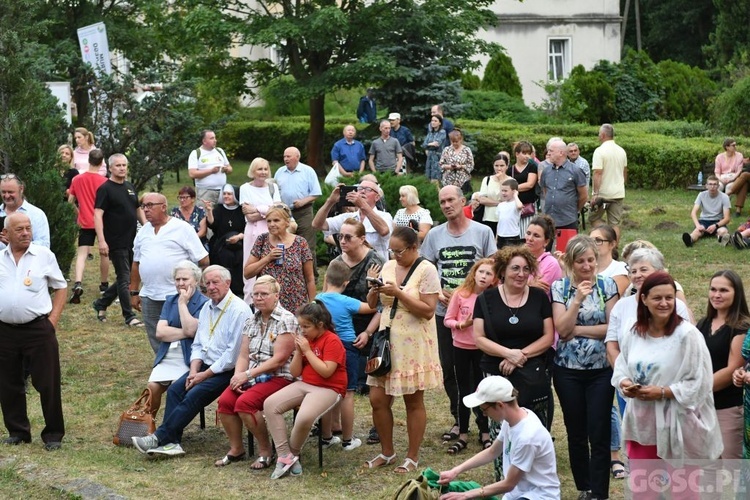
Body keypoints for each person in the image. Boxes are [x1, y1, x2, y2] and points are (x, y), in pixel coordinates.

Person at [613, 272, 722, 484]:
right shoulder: (634, 334)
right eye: (657, 298)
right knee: (644, 490)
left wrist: (663, 392)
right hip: (642, 423)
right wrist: (625, 384)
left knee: (684, 491)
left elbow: (701, 382)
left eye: (669, 298)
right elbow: (621, 368)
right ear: (644, 299)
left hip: (679, 425)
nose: (664, 303)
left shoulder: (687, 335)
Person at [132, 265, 251, 457]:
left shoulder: (239, 310)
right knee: (175, 391)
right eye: (208, 283)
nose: (211, 287)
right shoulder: (207, 307)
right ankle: (173, 442)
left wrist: (204, 375)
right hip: (203, 366)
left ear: (228, 283)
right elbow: (198, 343)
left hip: (227, 370)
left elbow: (231, 355)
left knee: (193, 395)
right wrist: (194, 370)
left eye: (215, 282)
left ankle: (159, 438)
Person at [421, 186, 496, 444]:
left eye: (451, 199)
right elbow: (425, 268)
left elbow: (493, 268)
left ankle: (485, 421)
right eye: (442, 201)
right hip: (446, 314)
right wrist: (435, 291)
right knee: (450, 370)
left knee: (480, 370)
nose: (446, 204)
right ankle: (459, 419)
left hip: (480, 316)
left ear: (463, 201)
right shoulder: (434, 235)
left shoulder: (483, 232)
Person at [364, 226, 442, 473]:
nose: (395, 255)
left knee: (413, 400)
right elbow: (373, 305)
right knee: (377, 399)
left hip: (414, 342)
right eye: (392, 251)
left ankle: (412, 456)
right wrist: (374, 290)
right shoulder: (388, 266)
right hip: (386, 339)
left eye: (399, 251)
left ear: (413, 248)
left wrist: (398, 292)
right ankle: (387, 452)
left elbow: (428, 310)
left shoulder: (427, 269)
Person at [473, 245, 554, 468]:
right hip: (496, 373)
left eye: (526, 269)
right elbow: (479, 338)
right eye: (515, 268)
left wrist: (520, 356)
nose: (521, 274)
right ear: (502, 271)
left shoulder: (539, 297)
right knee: (501, 433)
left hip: (533, 373)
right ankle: (503, 479)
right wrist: (507, 353)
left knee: (534, 430)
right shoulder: (485, 299)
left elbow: (548, 337)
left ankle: (534, 479)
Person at [552, 235, 618, 500]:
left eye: (591, 259)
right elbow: (561, 328)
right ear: (571, 262)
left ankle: (600, 492)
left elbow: (612, 329)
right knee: (576, 430)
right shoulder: (560, 288)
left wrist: (578, 329)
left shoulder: (608, 285)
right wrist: (577, 299)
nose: (588, 266)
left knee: (599, 429)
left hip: (601, 369)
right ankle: (584, 486)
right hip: (567, 370)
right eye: (581, 261)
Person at [0, 213, 67, 451]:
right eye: (19, 229)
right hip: (5, 330)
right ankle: (18, 431)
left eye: (28, 228)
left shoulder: (43, 256)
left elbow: (60, 286)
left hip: (39, 329)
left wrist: (53, 321)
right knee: (8, 382)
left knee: (47, 382)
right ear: (6, 234)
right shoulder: (0, 258)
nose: (26, 233)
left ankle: (53, 434)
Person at [215, 276, 296, 469]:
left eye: (264, 294)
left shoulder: (286, 320)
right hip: (254, 375)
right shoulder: (251, 320)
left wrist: (248, 375)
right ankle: (236, 449)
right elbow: (243, 355)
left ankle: (265, 450)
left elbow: (279, 360)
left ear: (276, 296)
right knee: (225, 401)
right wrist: (237, 376)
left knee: (245, 403)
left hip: (281, 376)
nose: (258, 298)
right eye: (255, 294)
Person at [437, 376, 560, 500]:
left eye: (484, 409)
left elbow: (509, 484)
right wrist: (455, 471)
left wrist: (465, 495)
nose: (484, 414)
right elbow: (492, 452)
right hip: (519, 494)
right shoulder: (513, 419)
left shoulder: (527, 438)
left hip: (539, 496)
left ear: (500, 405)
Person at [264, 302, 347, 479]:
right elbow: (295, 372)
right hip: (306, 383)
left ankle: (293, 454)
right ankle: (285, 455)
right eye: (300, 326)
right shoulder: (305, 341)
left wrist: (307, 351)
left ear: (320, 324)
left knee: (304, 417)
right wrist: (297, 352)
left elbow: (326, 372)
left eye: (306, 326)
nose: (302, 330)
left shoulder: (332, 340)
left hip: (329, 388)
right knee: (270, 404)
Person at [130, 193, 210, 353]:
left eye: (150, 205)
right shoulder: (143, 231)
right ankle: (163, 368)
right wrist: (134, 291)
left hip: (178, 295)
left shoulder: (182, 228)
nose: (146, 209)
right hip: (150, 295)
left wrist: (195, 284)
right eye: (143, 206)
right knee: (156, 336)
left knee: (183, 335)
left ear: (164, 207)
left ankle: (185, 369)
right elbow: (136, 262)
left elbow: (204, 260)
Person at [316, 260, 376, 451]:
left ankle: (326, 437)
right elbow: (371, 308)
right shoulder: (347, 301)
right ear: (346, 283)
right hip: (347, 347)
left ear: (326, 278)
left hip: (325, 348)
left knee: (327, 391)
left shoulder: (317, 300)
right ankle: (348, 440)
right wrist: (372, 287)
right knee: (348, 392)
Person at [443, 258, 496, 454]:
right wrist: (461, 325)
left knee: (482, 388)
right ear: (474, 273)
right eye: (481, 272)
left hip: (482, 348)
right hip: (461, 347)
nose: (484, 276)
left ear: (494, 279)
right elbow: (448, 320)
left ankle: (485, 432)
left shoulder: (492, 297)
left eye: (489, 274)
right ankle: (463, 433)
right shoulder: (460, 294)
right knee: (464, 389)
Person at [697, 270, 748, 459]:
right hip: (702, 409)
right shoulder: (703, 324)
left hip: (727, 409)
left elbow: (732, 370)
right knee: (708, 471)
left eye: (724, 290)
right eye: (713, 289)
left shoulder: (741, 327)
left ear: (736, 294)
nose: (716, 295)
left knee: (732, 471)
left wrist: (695, 390)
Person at [147, 261, 208, 418]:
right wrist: (188, 332)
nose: (180, 283)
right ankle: (149, 423)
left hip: (189, 358)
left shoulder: (204, 304)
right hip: (168, 356)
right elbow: (160, 332)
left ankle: (169, 428)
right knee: (152, 387)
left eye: (185, 279)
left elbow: (191, 329)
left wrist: (182, 304)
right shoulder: (170, 300)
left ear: (196, 280)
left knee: (176, 389)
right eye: (177, 279)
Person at [332, 218, 383, 399]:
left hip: (370, 323)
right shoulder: (337, 263)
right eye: (340, 237)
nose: (343, 241)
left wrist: (368, 332)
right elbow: (327, 298)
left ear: (362, 239)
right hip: (343, 324)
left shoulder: (375, 262)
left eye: (348, 237)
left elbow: (383, 306)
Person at [93, 154, 145, 326]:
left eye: (124, 165)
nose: (122, 168)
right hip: (115, 241)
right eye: (118, 165)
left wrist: (147, 229)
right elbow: (98, 215)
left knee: (128, 276)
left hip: (133, 240)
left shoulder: (130, 187)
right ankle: (129, 316)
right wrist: (101, 241)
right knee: (124, 277)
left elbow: (137, 209)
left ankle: (102, 303)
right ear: (110, 168)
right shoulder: (105, 189)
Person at [244, 205, 316, 312]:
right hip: (269, 305)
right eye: (269, 221)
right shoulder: (262, 240)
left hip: (296, 304)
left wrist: (312, 304)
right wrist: (268, 258)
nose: (272, 224)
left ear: (287, 222)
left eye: (276, 220)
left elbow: (309, 278)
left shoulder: (300, 242)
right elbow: (247, 273)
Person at [67, 148, 110, 305]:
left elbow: (70, 201)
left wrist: (79, 212)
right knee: (104, 253)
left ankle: (78, 282)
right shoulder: (104, 182)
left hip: (84, 221)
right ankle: (104, 285)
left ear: (88, 161)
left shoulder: (77, 179)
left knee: (82, 254)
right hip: (103, 222)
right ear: (102, 162)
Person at [312, 180, 393, 260]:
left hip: (376, 267)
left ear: (377, 197)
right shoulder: (348, 218)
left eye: (368, 189)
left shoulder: (385, 216)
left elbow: (384, 231)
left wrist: (363, 205)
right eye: (360, 188)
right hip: (350, 268)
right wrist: (330, 201)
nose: (363, 192)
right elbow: (317, 224)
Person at [239, 157, 281, 302]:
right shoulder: (245, 188)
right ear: (253, 171)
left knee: (273, 263)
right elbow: (249, 217)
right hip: (253, 232)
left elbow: (278, 210)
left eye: (265, 169)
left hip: (272, 231)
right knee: (252, 264)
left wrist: (257, 208)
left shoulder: (272, 187)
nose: (263, 172)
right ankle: (250, 301)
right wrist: (267, 210)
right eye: (259, 169)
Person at [274, 147, 321, 275]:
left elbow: (316, 193)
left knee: (307, 245)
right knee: (284, 243)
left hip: (304, 211)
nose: (286, 159)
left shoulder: (307, 171)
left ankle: (311, 276)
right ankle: (287, 273)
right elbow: (274, 191)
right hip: (285, 213)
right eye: (284, 156)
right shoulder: (279, 172)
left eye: (288, 156)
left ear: (297, 157)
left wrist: (302, 201)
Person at [539, 138, 588, 231]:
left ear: (561, 153)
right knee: (548, 245)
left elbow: (584, 196)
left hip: (568, 220)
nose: (548, 153)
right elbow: (546, 191)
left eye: (551, 151)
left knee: (566, 245)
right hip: (549, 220)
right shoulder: (546, 171)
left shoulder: (575, 171)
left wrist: (573, 209)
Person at [205, 185, 245, 298]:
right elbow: (213, 225)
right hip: (222, 244)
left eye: (229, 194)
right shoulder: (219, 208)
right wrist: (209, 211)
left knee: (241, 256)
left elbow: (247, 228)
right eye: (225, 194)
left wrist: (238, 237)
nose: (226, 196)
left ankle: (239, 289)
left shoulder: (242, 210)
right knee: (225, 256)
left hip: (240, 242)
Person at [590, 124, 627, 239]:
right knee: (615, 223)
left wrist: (595, 193)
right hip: (618, 192)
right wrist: (621, 185)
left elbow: (598, 173)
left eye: (599, 134)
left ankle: (606, 234)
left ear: (603, 135)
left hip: (603, 194)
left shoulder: (599, 151)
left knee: (593, 218)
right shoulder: (621, 151)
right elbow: (625, 171)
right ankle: (614, 248)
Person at [0, 174, 50, 250]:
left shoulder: (36, 214)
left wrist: (16, 244)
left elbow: (44, 246)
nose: (7, 196)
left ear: (21, 189)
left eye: (10, 192)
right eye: (3, 192)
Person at [682, 174, 730, 247]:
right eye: (710, 184)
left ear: (718, 186)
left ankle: (721, 238)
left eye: (715, 184)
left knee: (723, 231)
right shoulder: (701, 195)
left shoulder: (724, 197)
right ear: (706, 186)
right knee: (697, 232)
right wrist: (698, 225)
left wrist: (716, 225)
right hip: (704, 220)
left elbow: (727, 218)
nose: (712, 187)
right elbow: (693, 213)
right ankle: (690, 240)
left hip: (718, 221)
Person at [187, 129, 232, 207]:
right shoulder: (196, 153)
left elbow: (230, 168)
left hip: (223, 191)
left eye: (215, 138)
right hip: (205, 192)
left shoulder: (219, 151)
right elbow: (192, 174)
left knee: (220, 217)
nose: (215, 140)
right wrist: (211, 171)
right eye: (212, 138)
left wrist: (227, 169)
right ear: (204, 141)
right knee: (205, 217)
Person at [524, 215, 562, 298]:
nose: (530, 238)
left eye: (536, 235)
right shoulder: (519, 258)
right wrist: (529, 284)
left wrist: (522, 284)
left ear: (546, 242)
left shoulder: (551, 264)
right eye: (528, 233)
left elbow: (536, 294)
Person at [473, 153, 511, 236]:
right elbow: (482, 199)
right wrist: (499, 203)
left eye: (502, 165)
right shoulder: (487, 179)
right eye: (496, 165)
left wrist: (501, 181)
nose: (499, 168)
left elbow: (508, 199)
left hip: (504, 218)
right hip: (488, 217)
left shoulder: (511, 181)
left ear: (507, 166)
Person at [590, 224, 630, 297]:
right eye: (590, 241)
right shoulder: (585, 268)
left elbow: (610, 298)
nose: (593, 244)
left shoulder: (620, 268)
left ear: (612, 244)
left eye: (598, 240)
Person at [510, 140, 539, 238]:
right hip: (514, 205)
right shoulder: (511, 169)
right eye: (524, 153)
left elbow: (530, 184)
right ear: (517, 154)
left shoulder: (532, 166)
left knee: (528, 233)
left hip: (528, 205)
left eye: (529, 153)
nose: (527, 156)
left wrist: (513, 188)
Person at [495, 178, 523, 249]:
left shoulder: (515, 204)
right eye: (502, 191)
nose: (503, 193)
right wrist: (496, 237)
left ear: (513, 191)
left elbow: (520, 206)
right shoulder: (500, 205)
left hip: (512, 236)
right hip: (501, 236)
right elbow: (499, 222)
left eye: (506, 191)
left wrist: (516, 195)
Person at [423, 115, 446, 183]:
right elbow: (424, 145)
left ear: (440, 123)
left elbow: (436, 144)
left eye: (435, 121)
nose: (433, 122)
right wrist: (430, 144)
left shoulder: (442, 132)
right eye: (432, 120)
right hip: (429, 157)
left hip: (437, 157)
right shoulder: (430, 133)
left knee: (435, 179)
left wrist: (428, 145)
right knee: (428, 178)